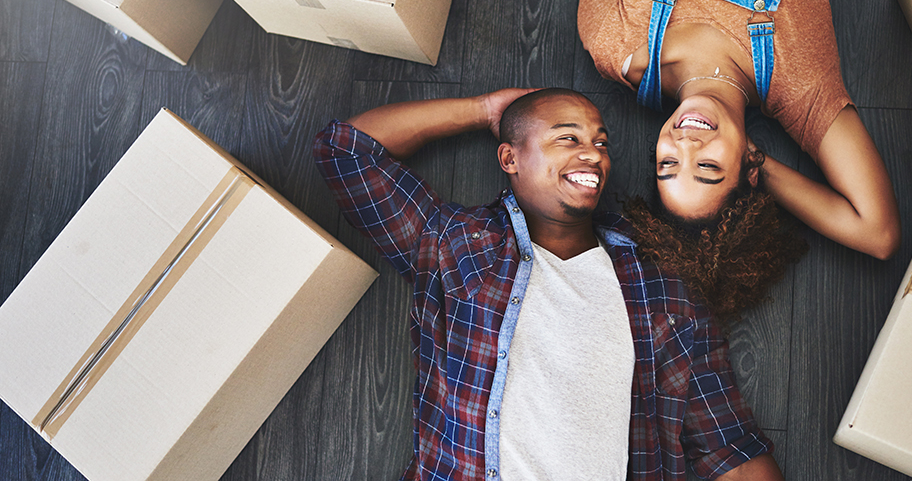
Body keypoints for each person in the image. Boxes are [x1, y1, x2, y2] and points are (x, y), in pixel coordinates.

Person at [313, 87, 783, 480]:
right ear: (510, 158)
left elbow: (729, 447)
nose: (592, 155)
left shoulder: (662, 284)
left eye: (601, 143)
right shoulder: (455, 244)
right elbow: (346, 150)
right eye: (567, 138)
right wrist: (484, 111)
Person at [578, 0, 902, 265]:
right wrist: (758, 162)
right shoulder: (799, 83)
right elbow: (877, 233)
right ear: (749, 170)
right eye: (707, 167)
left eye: (668, 162)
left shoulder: (611, 42)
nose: (686, 145)